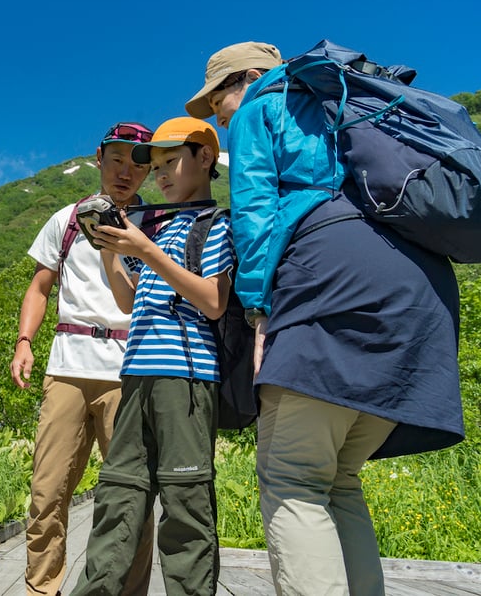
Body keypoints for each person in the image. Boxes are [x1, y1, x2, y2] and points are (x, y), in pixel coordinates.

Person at [186, 42, 463, 595]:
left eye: (220, 109)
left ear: (243, 79)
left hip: (332, 282)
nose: (225, 121)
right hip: (421, 292)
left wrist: (258, 310)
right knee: (337, 481)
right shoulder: (345, 103)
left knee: (293, 480)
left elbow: (256, 214)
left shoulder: (264, 104)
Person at [71, 117, 233, 596]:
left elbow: (213, 300)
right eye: (155, 166)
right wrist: (108, 251)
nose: (159, 174)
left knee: (186, 505)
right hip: (136, 373)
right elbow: (129, 300)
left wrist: (145, 247)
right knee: (118, 496)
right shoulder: (154, 227)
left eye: (169, 161)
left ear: (204, 159)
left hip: (185, 378)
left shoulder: (215, 223)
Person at [12, 122, 157, 596]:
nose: (124, 172)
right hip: (67, 367)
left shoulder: (154, 223)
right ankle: (42, 587)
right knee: (48, 489)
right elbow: (40, 286)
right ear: (99, 158)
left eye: (137, 163)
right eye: (116, 159)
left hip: (130, 368)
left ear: (149, 169)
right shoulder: (67, 219)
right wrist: (23, 342)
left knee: (130, 495)